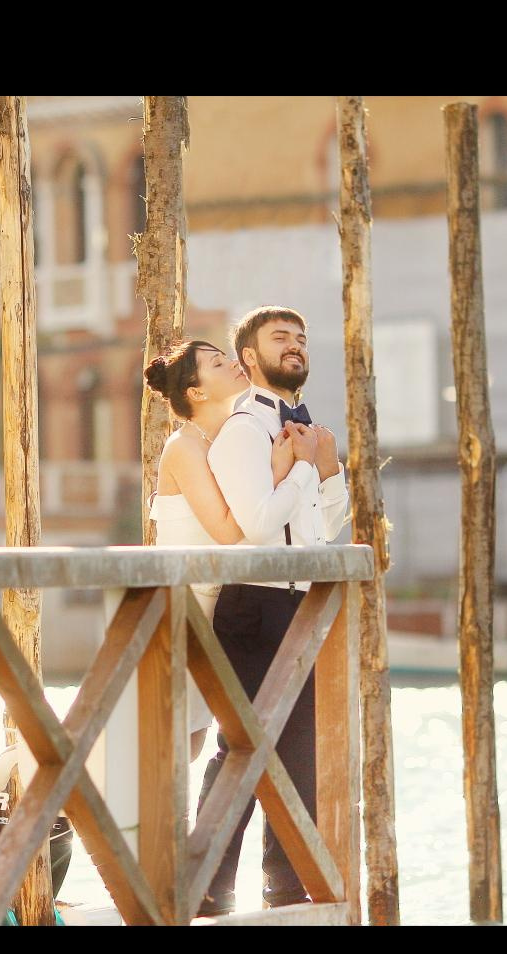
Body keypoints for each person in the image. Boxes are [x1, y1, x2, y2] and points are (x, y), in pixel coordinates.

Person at [198, 305, 350, 915]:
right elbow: (258, 528)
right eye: (279, 338)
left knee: (302, 750)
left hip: (299, 604)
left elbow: (323, 530)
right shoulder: (241, 432)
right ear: (250, 359)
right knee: (239, 750)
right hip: (252, 605)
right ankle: (208, 888)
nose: (294, 346)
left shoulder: (308, 434)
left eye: (300, 338)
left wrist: (329, 470)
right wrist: (307, 470)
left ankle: (286, 891)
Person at [144, 340, 317, 760]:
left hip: (223, 605)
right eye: (217, 363)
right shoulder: (185, 447)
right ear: (197, 392)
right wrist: (286, 471)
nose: (233, 364)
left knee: (203, 740)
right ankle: (159, 825)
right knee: (174, 744)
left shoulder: (235, 436)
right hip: (186, 606)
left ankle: (191, 826)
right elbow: (227, 529)